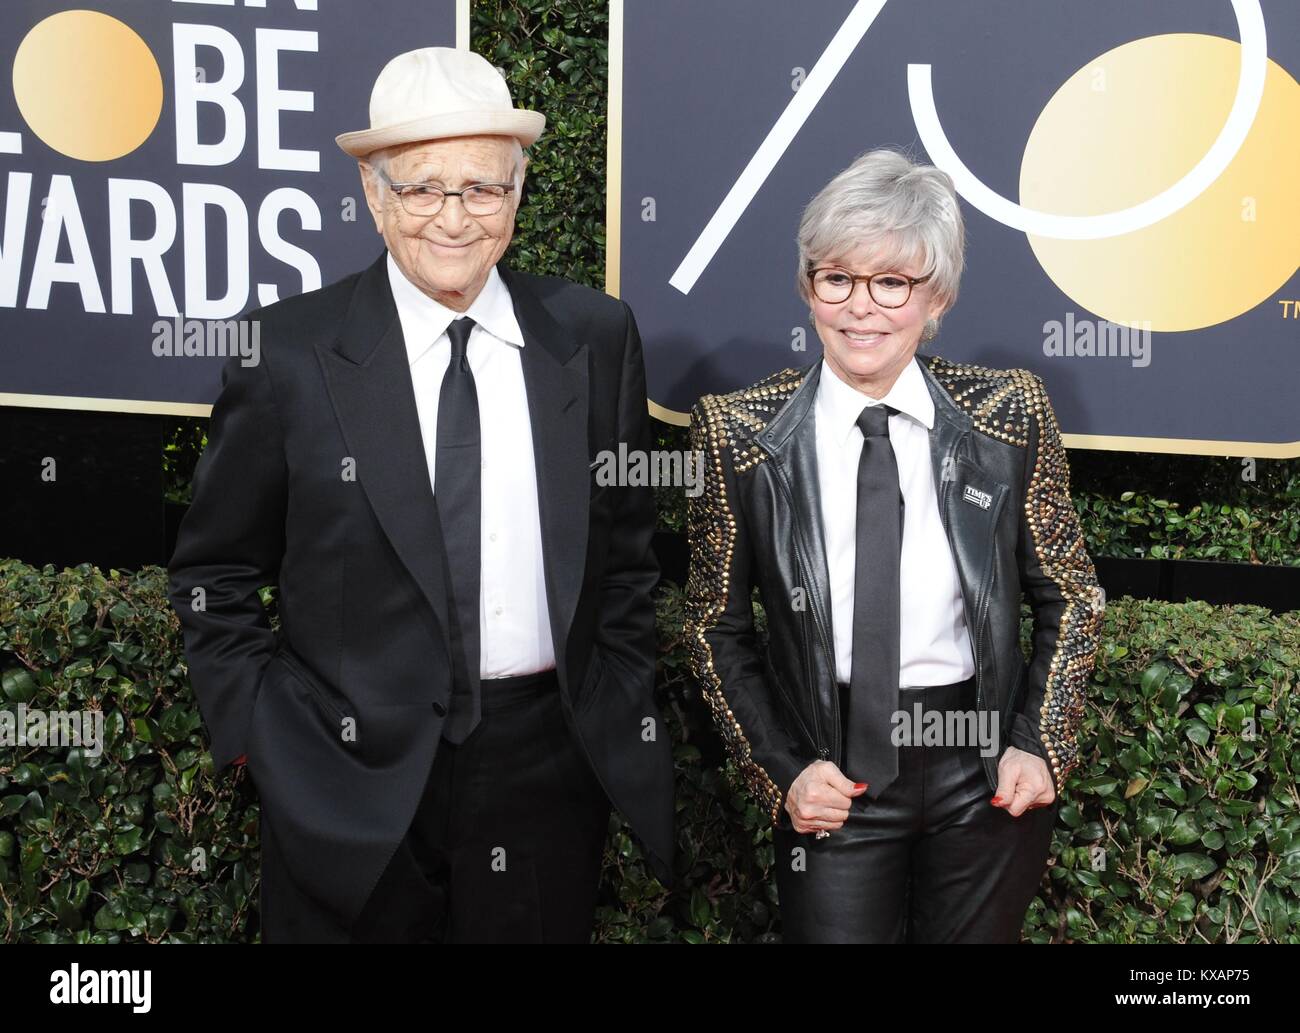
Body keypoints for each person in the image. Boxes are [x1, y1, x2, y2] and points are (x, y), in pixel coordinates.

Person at [168, 46, 673, 943]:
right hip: (343, 777)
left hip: (547, 778)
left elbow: (628, 560)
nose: (455, 217)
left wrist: (613, 700)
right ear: (372, 192)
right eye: (422, 189)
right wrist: (266, 743)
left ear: (516, 193)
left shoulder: (595, 337)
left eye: (482, 188)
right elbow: (215, 570)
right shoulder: (286, 353)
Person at [684, 147, 1104, 943]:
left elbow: (1071, 591)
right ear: (809, 288)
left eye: (892, 283)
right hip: (834, 769)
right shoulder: (737, 434)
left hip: (982, 769)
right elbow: (715, 627)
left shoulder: (1008, 414)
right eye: (836, 278)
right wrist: (783, 772)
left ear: (935, 294)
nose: (860, 308)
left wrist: (1037, 742)